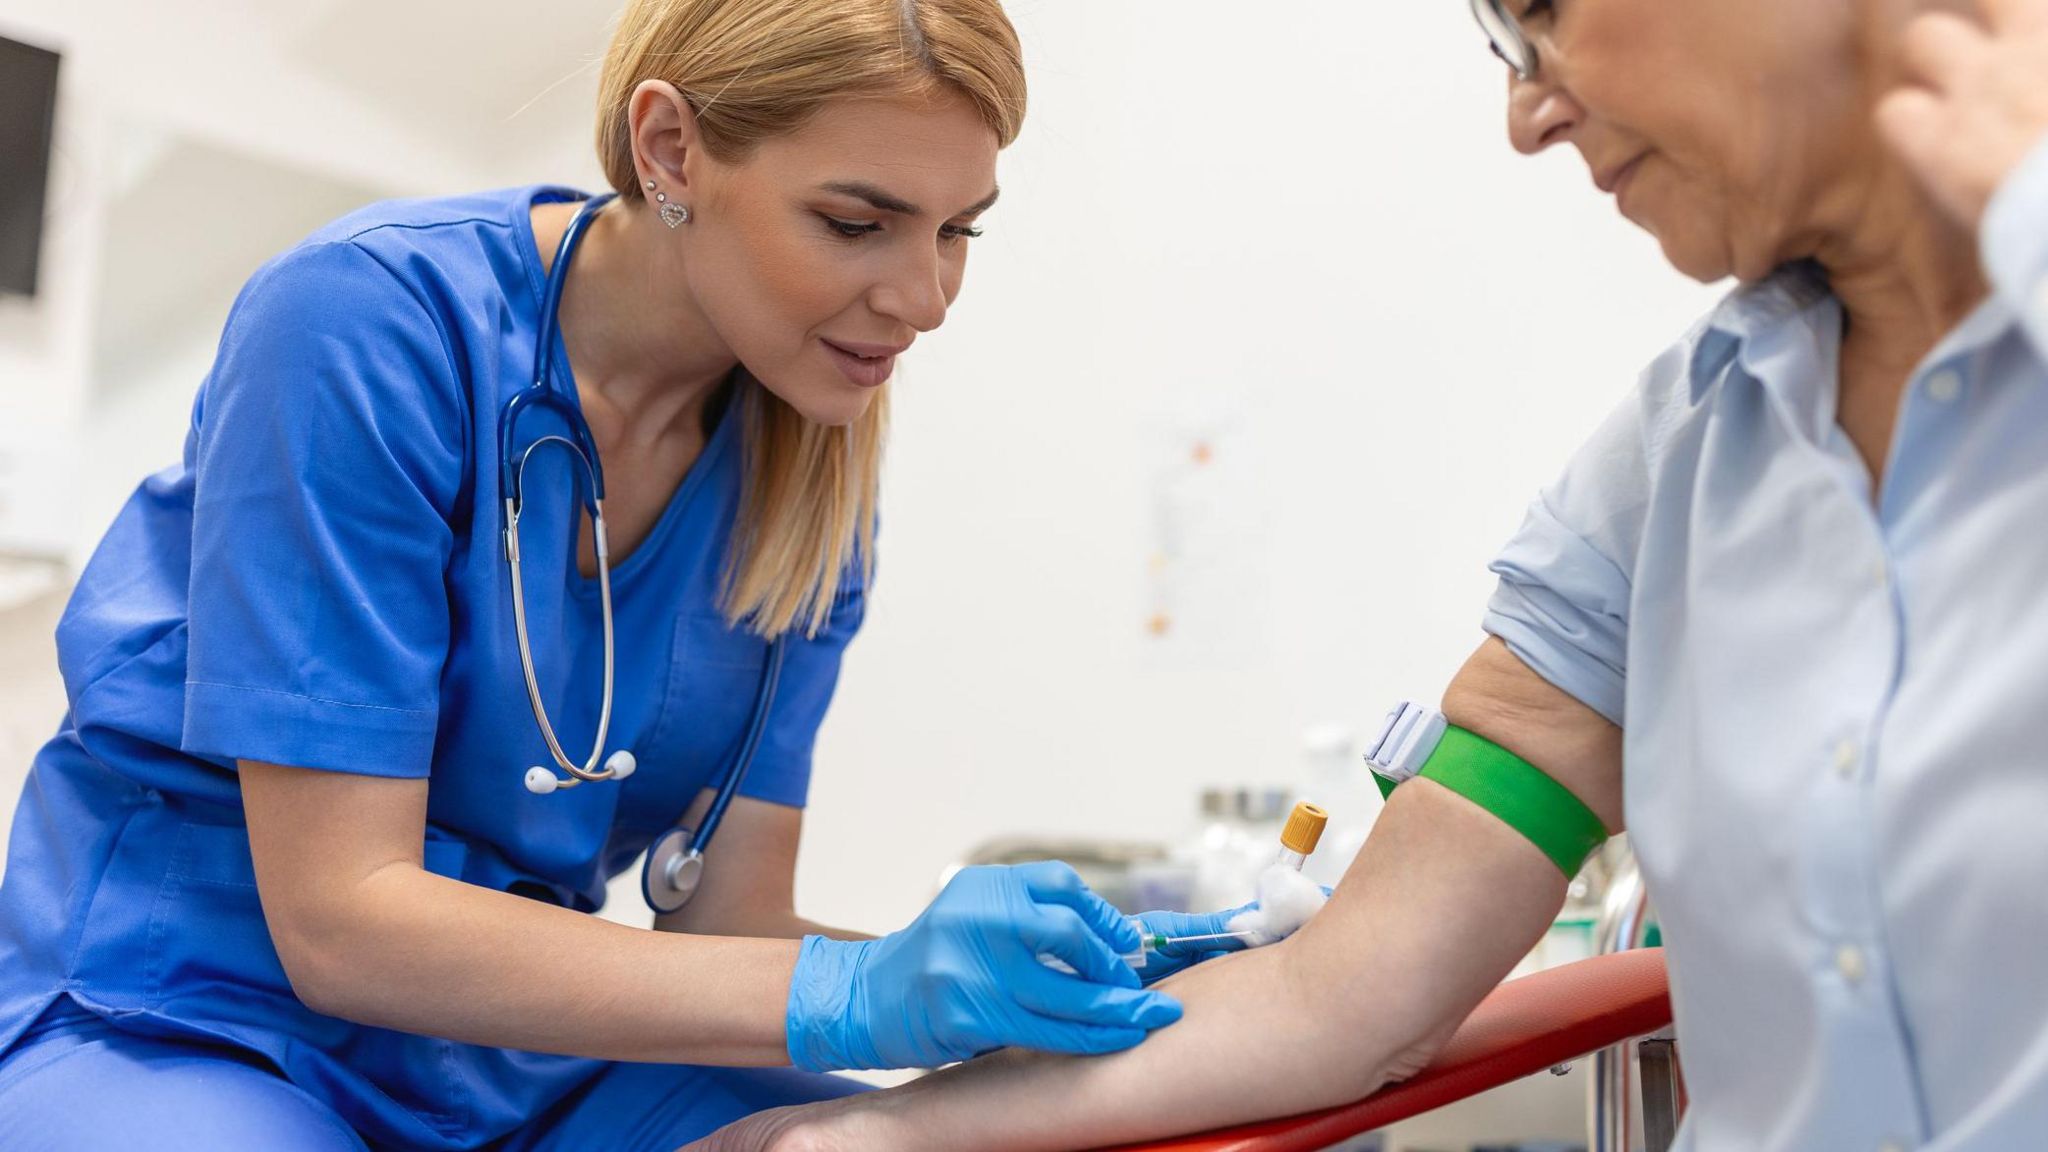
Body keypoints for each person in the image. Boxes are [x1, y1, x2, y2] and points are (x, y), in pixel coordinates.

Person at [679, 0, 2048, 1148]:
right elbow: (1347, 993)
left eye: (1539, 17)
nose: (1527, 114)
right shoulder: (1680, 462)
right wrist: (863, 1130)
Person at [0, 1, 1245, 1147]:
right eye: (855, 223)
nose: (922, 298)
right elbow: (344, 920)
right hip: (183, 1017)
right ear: (668, 149)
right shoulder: (365, 325)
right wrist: (867, 994)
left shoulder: (806, 481)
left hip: (519, 1053)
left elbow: (734, 924)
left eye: (958, 231)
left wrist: (1014, 995)